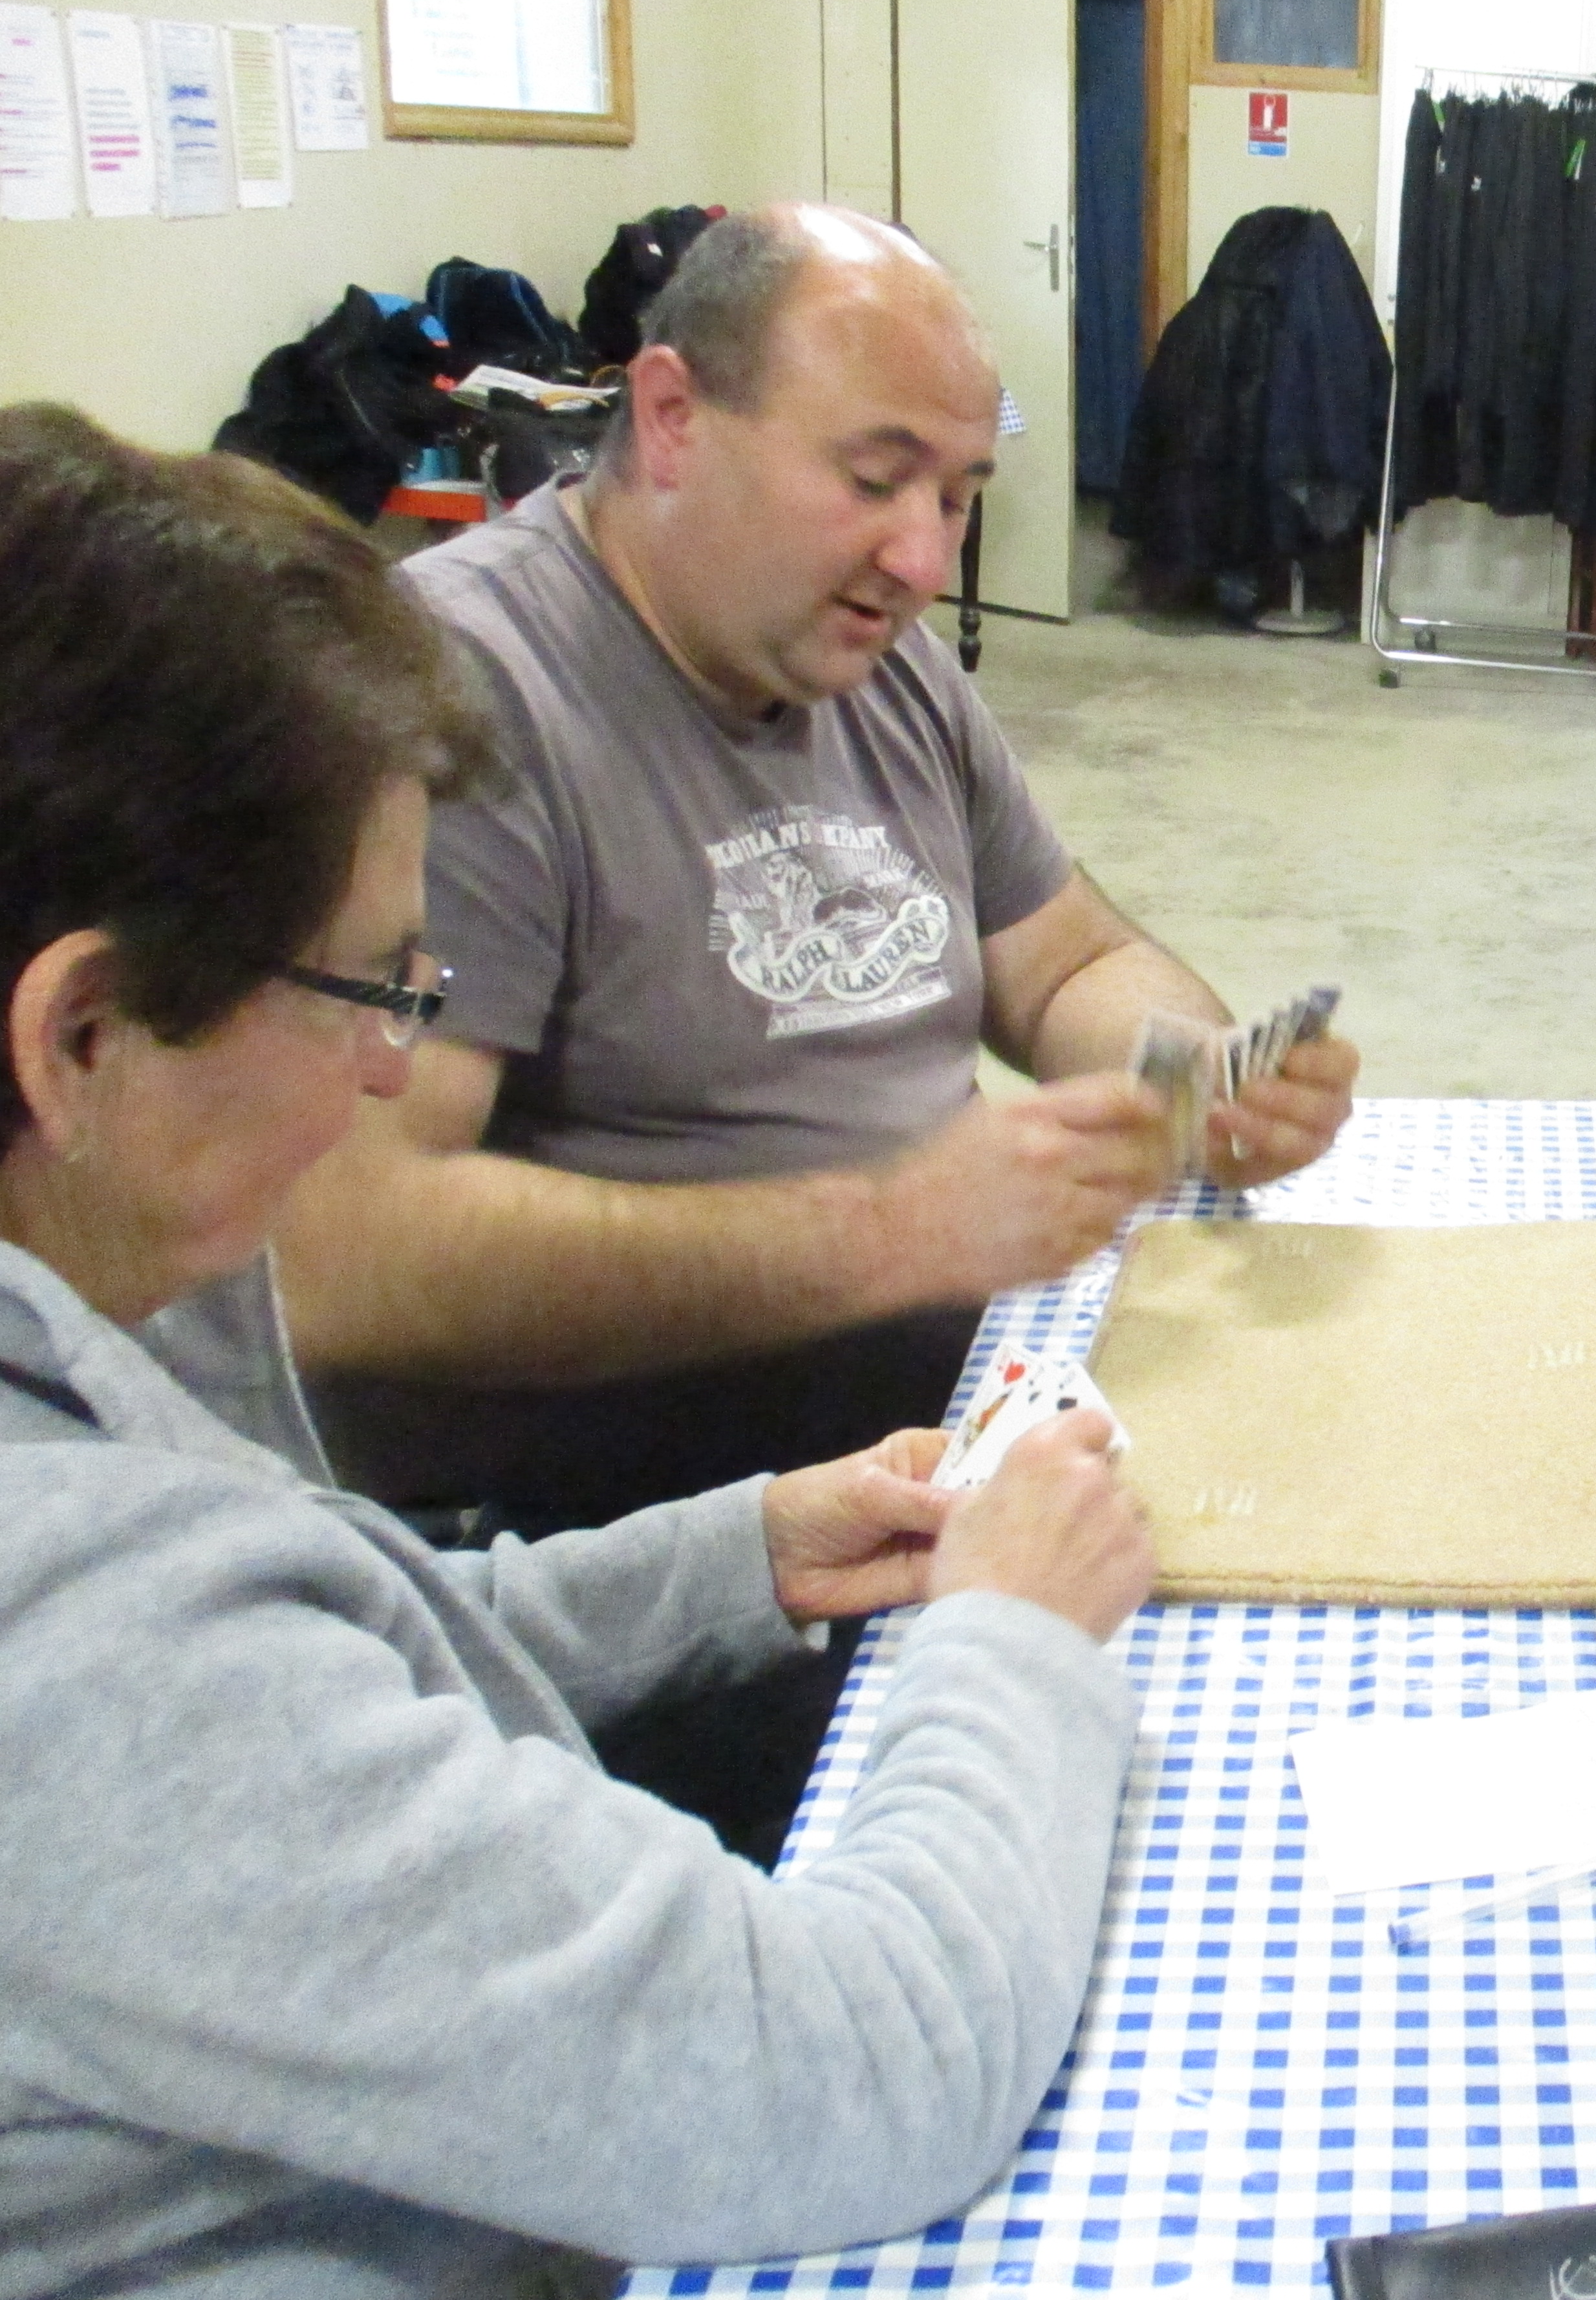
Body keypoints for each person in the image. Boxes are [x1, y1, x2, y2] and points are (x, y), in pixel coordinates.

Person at [0, 403, 1159, 2292]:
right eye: (370, 984)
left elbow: (332, 1671)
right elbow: (858, 2070)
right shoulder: (78, 1643)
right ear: (84, 1038)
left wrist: (732, 1556)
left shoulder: (107, 1282)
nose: (395, 1062)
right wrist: (1009, 1642)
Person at [276, 202, 1360, 1547]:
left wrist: (1201, 1076)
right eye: (872, 478)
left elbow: (1063, 960)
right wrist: (887, 1235)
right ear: (670, 420)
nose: (922, 561)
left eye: (958, 498)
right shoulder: (458, 698)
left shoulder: (868, 647)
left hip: (946, 1409)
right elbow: (352, 1257)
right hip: (663, 1537)